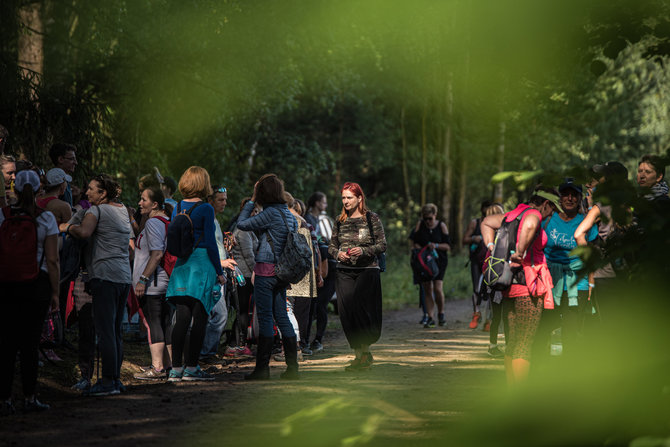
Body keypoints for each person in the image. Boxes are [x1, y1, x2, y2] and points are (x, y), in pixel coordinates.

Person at [59, 174, 133, 396]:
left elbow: (83, 232)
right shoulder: (122, 211)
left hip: (104, 275)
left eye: (92, 189)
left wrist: (65, 227)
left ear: (103, 194)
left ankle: (108, 382)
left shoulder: (96, 211)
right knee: (115, 329)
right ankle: (115, 379)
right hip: (123, 277)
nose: (87, 192)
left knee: (105, 330)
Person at [480, 187, 562, 384]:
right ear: (546, 204)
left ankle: (511, 388)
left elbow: (486, 222)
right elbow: (532, 222)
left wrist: (491, 247)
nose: (550, 214)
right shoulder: (533, 213)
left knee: (513, 341)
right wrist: (521, 250)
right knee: (525, 343)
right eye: (551, 210)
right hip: (528, 286)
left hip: (509, 285)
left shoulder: (512, 214)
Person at [0, 170, 60, 413]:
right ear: (39, 190)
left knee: (5, 343)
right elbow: (53, 260)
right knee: (30, 342)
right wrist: (55, 292)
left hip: (5, 285)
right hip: (37, 285)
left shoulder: (2, 216)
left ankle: (4, 399)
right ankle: (29, 397)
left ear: (13, 190)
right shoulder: (45, 219)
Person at [236, 173, 300, 380]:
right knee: (281, 316)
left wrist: (252, 200)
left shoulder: (271, 212)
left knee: (264, 318)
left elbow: (242, 224)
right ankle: (292, 369)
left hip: (265, 271)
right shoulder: (288, 214)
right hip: (282, 272)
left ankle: (262, 370)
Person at [165, 167, 224, 382]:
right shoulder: (206, 209)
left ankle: (175, 369)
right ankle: (192, 368)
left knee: (181, 319)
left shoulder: (177, 207)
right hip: (201, 266)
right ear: (204, 183)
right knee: (200, 318)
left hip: (182, 266)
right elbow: (210, 242)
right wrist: (219, 272)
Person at [536, 179, 598, 363]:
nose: (569, 198)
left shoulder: (586, 222)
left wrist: (591, 284)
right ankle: (539, 368)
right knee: (543, 327)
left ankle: (569, 371)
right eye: (565, 194)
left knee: (571, 330)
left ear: (579, 198)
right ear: (560, 197)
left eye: (574, 195)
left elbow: (591, 255)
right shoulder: (548, 220)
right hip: (550, 281)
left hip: (577, 281)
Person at [328, 182, 386, 371]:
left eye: (349, 197)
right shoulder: (339, 220)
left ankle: (364, 353)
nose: (345, 201)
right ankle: (358, 355)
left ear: (359, 198)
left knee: (362, 312)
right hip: (344, 271)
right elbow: (331, 246)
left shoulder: (371, 218)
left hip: (367, 271)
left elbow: (382, 245)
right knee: (347, 313)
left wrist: (362, 251)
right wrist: (338, 254)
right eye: (343, 197)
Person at [574, 162, 630, 322]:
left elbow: (578, 234)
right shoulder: (630, 205)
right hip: (627, 273)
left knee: (608, 324)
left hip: (604, 275)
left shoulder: (601, 206)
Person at [132, 186, 173, 380]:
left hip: (153, 283)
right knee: (164, 323)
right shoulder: (165, 221)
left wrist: (142, 280)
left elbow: (157, 254)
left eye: (144, 200)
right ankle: (169, 366)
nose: (140, 203)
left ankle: (157, 368)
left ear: (155, 204)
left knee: (153, 323)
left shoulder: (153, 223)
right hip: (162, 282)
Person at [200, 185, 238, 360]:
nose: (225, 203)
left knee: (216, 315)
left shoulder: (215, 221)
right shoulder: (208, 221)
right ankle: (204, 353)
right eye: (220, 200)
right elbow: (206, 248)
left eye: (226, 199)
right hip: (212, 274)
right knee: (218, 315)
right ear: (210, 201)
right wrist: (222, 263)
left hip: (219, 274)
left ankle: (206, 352)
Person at [410, 203, 451, 328]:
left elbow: (448, 246)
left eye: (430, 218)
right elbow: (414, 242)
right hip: (424, 262)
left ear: (435, 215)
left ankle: (441, 314)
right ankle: (430, 317)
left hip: (439, 260)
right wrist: (417, 247)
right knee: (427, 289)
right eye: (425, 218)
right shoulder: (420, 225)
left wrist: (436, 245)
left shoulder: (441, 226)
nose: (427, 221)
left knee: (438, 288)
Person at [229, 199, 259, 358]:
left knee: (244, 311)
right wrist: (259, 273)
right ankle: (237, 344)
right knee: (242, 311)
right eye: (253, 212)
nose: (255, 215)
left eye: (257, 212)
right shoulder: (243, 230)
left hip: (248, 274)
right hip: (244, 276)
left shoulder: (249, 229)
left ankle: (240, 343)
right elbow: (249, 256)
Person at [462, 200, 492, 329]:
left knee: (491, 291)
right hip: (476, 261)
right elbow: (464, 239)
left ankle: (489, 320)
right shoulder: (475, 223)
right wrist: (474, 238)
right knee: (476, 289)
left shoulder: (497, 223)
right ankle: (476, 313)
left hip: (491, 262)